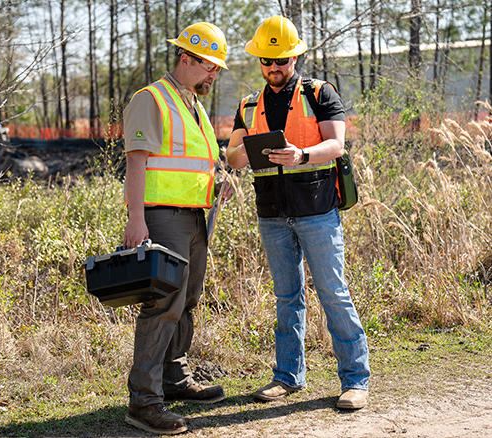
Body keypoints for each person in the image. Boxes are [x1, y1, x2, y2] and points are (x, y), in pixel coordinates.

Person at [226, 15, 371, 410]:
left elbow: (336, 145)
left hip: (317, 210)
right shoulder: (248, 104)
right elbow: (233, 157)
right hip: (271, 212)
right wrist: (251, 148)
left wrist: (300, 154)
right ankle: (288, 376)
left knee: (333, 293)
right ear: (260, 63)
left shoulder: (320, 93)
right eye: (267, 61)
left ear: (295, 58)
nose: (274, 68)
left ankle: (356, 380)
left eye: (282, 61)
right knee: (286, 296)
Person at [122, 22, 233, 435]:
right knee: (162, 305)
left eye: (218, 69)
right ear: (185, 58)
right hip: (161, 217)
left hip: (193, 216)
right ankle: (144, 403)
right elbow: (137, 161)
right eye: (210, 67)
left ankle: (174, 377)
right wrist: (137, 219)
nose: (214, 75)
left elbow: (194, 161)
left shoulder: (192, 104)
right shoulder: (151, 99)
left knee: (187, 299)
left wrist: (218, 180)